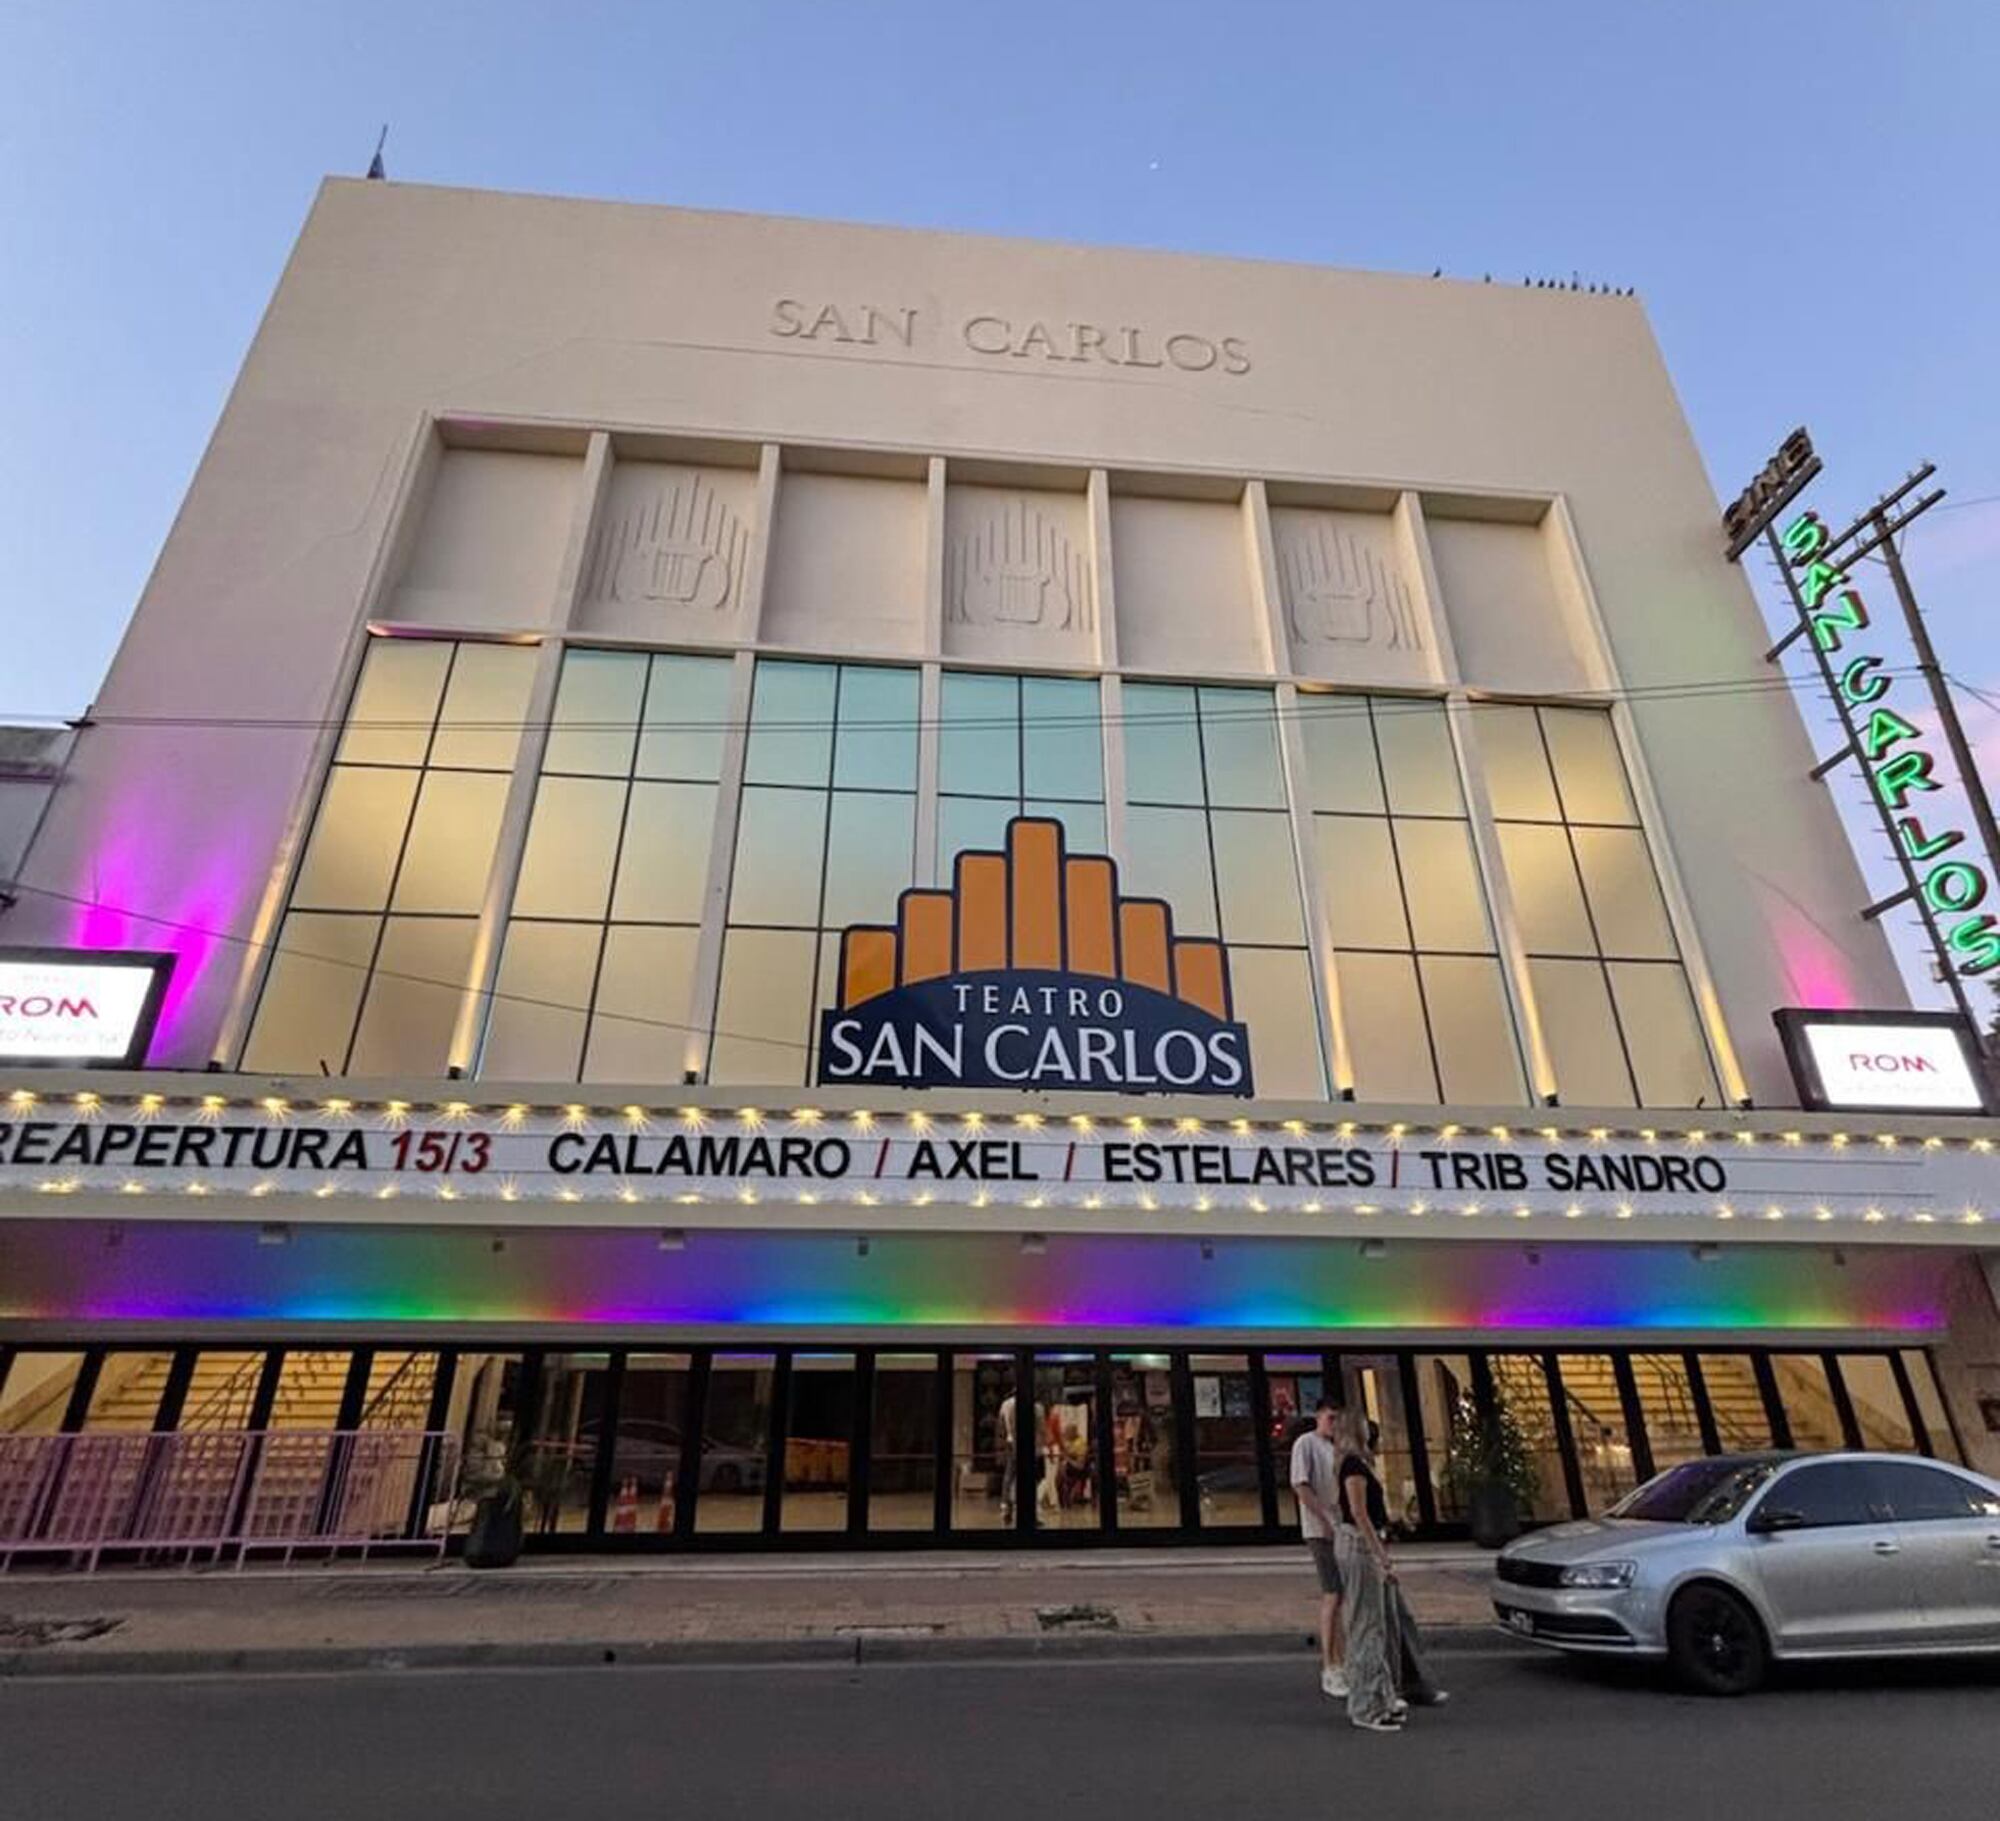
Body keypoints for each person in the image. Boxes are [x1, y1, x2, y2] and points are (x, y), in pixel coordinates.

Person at [1332, 1407, 1405, 1732]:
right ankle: (1365, 1706)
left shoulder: (1356, 1463)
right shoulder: (1353, 1465)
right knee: (1367, 1626)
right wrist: (1381, 1555)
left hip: (1360, 1545)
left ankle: (1383, 1698)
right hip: (1360, 1547)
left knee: (1376, 1624)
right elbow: (1359, 1513)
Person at [1288, 1398, 1347, 1699]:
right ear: (1318, 1416)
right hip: (1321, 1531)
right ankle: (1330, 1664)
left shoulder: (1338, 1447)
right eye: (1330, 1418)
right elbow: (1300, 1485)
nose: (1334, 1424)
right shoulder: (1306, 1444)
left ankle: (1343, 1660)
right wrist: (1323, 1519)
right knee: (1333, 1593)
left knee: (1342, 1596)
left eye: (1338, 1419)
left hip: (1343, 1530)